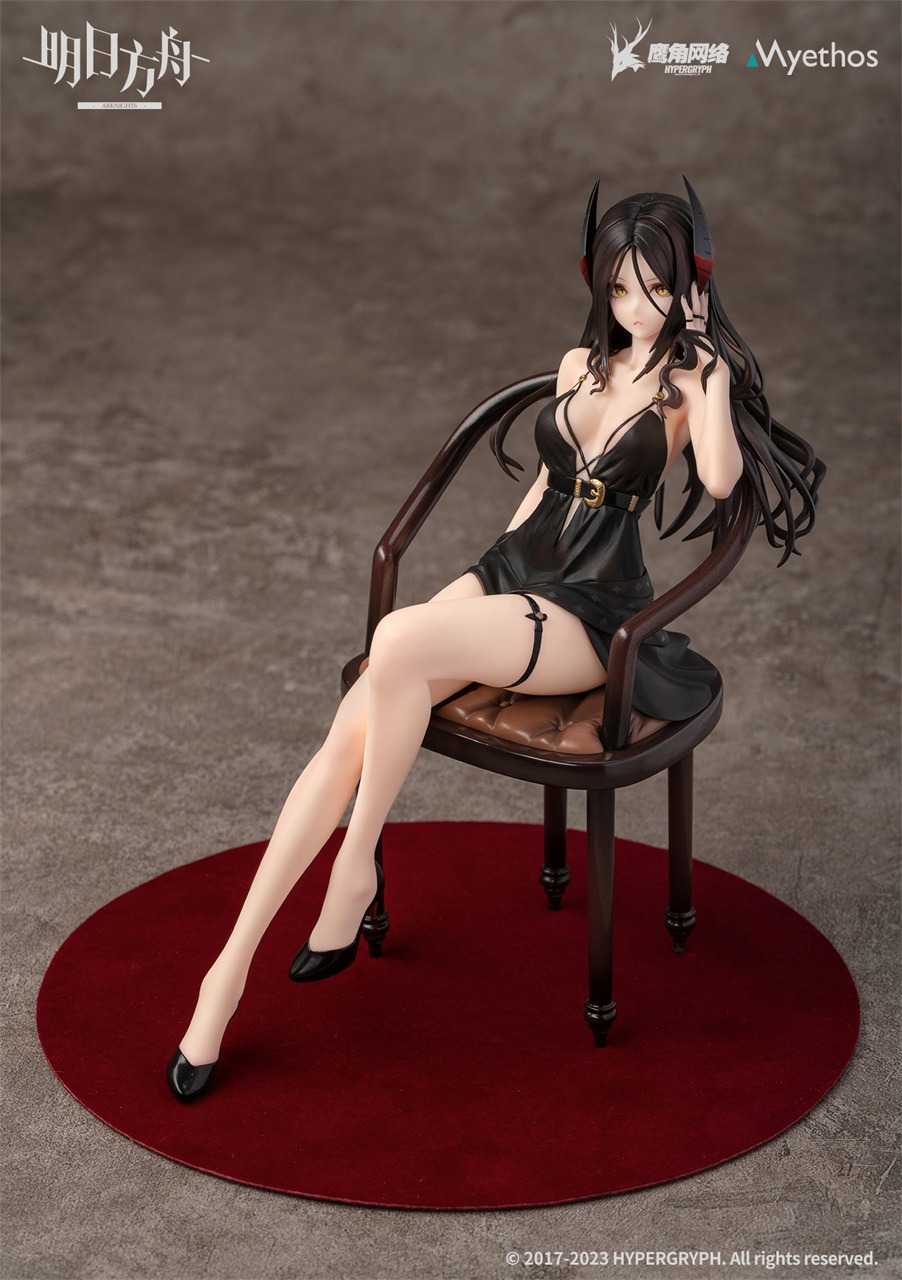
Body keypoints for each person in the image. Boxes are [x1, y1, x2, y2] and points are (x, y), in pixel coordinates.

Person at [167, 182, 824, 1100]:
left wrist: (712, 373)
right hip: (517, 568)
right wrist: (481, 583)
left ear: (691, 284)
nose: (636, 307)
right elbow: (542, 491)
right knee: (360, 711)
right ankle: (230, 969)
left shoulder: (687, 387)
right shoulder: (578, 364)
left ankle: (346, 877)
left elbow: (719, 482)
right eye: (620, 288)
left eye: (655, 288)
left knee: (394, 645)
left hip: (590, 610)